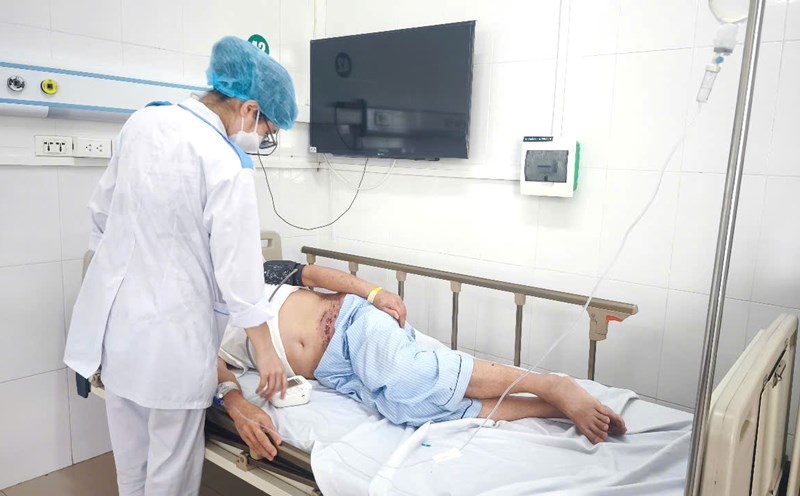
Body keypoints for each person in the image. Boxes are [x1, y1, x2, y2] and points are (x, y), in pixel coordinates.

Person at [63, 36, 298, 496]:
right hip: (173, 346)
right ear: (250, 110)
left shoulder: (142, 121)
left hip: (119, 332)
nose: (261, 140)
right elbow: (240, 270)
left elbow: (101, 216)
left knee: (131, 466)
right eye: (268, 132)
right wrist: (266, 351)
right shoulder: (226, 161)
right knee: (170, 474)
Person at [217, 262, 627, 460]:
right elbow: (217, 376)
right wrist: (239, 406)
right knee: (407, 409)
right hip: (332, 372)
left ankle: (545, 382)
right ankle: (550, 406)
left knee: (407, 376)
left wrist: (375, 294)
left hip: (349, 322)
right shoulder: (188, 338)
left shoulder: (243, 271)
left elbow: (312, 274)